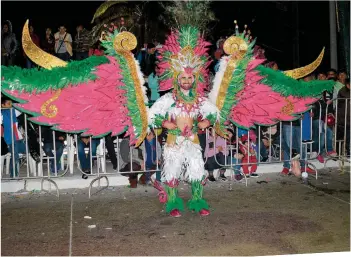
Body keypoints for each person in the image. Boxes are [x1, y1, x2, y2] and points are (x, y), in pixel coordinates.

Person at [149, 27, 218, 218]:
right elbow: (153, 115)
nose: (186, 81)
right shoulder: (168, 99)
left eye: (189, 78)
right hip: (173, 141)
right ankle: (173, 203)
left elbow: (214, 113)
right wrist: (165, 124)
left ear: (194, 79)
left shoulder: (200, 99)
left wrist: (207, 122)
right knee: (172, 172)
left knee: (197, 169)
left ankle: (197, 201)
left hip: (193, 140)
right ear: (176, 78)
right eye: (183, 77)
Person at [336, 78, 350, 156]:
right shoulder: (343, 91)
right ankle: (340, 154)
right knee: (343, 138)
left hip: (346, 119)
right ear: (348, 84)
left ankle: (348, 153)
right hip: (344, 119)